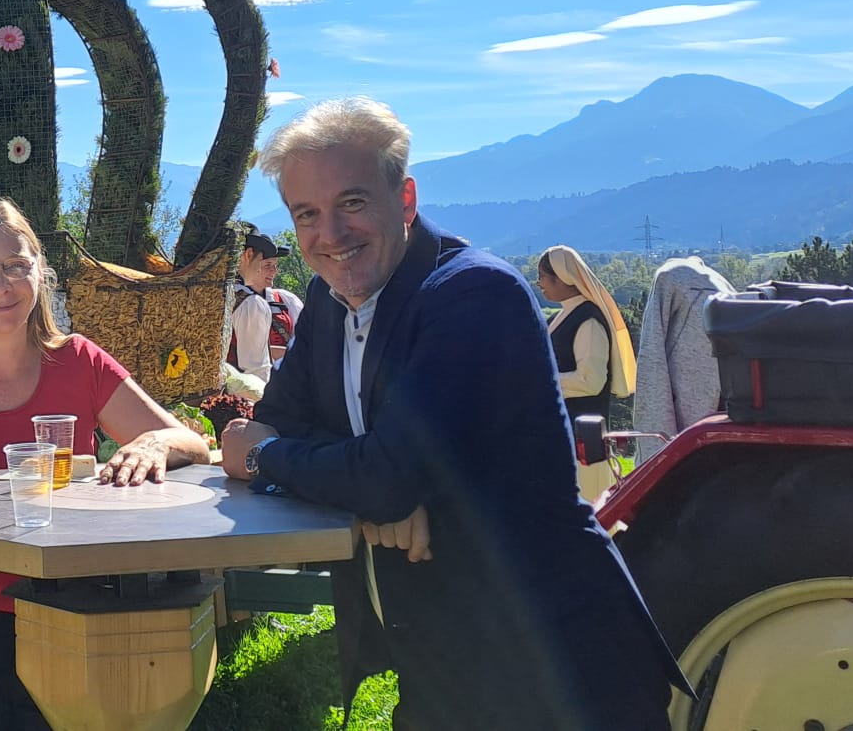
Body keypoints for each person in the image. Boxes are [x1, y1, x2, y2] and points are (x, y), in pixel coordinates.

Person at [218, 97, 687, 730]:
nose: (329, 235)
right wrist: (368, 490)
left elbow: (379, 473)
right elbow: (295, 421)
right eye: (307, 213)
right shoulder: (329, 301)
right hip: (442, 659)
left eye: (352, 202)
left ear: (405, 199)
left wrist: (265, 456)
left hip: (554, 664)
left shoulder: (474, 294)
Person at [0, 197, 211, 731]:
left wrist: (152, 445)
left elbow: (187, 441)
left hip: (71, 612)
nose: (0, 285)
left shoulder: (80, 361)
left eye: (15, 266)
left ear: (39, 273)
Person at [635, 256, 734, 458]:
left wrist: (654, 450)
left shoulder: (669, 278)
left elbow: (652, 357)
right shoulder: (724, 287)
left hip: (689, 427)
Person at [534, 244, 637, 427]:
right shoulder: (560, 317)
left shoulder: (589, 320)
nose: (538, 283)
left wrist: (540, 380)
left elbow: (591, 382)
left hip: (583, 430)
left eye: (541, 276)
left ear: (562, 277)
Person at [228, 231, 305, 385]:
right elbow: (256, 369)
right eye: (267, 265)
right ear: (248, 257)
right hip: (247, 385)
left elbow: (306, 342)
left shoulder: (286, 300)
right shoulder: (242, 302)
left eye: (275, 265)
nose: (274, 270)